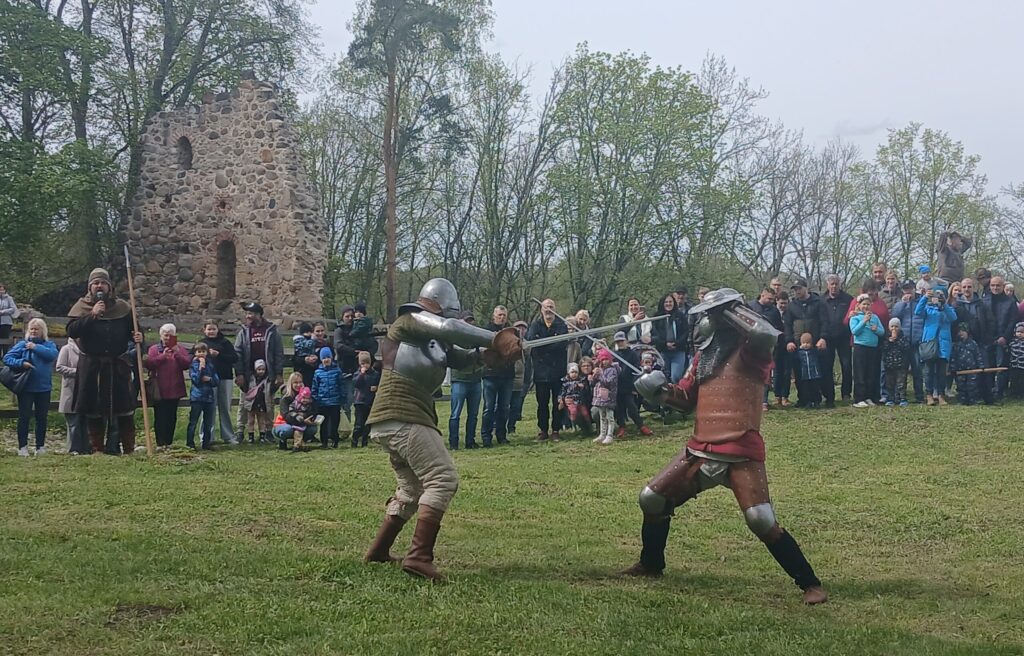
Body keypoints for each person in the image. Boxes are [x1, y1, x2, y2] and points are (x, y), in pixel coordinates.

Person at [626, 288, 827, 604]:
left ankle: (810, 583)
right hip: (699, 449)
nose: (711, 319)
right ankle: (651, 563)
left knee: (761, 519)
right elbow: (686, 400)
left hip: (740, 451)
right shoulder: (703, 357)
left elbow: (765, 332)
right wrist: (660, 391)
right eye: (710, 314)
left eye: (716, 314)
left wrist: (729, 308)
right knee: (651, 499)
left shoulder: (753, 351)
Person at [362, 278, 520, 581]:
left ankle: (379, 551)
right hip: (403, 414)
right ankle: (419, 557)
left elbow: (462, 359)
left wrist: (486, 357)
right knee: (442, 479)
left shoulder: (434, 340)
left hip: (395, 419)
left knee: (411, 491)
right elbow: (450, 328)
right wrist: (497, 338)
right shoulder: (410, 320)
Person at [66, 268, 144, 455]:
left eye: (103, 283)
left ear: (109, 287)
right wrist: (92, 315)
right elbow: (72, 331)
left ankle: (129, 450)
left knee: (124, 410)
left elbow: (135, 332)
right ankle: (98, 450)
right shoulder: (82, 307)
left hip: (118, 365)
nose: (99, 286)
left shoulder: (122, 307)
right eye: (95, 283)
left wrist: (139, 338)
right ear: (90, 287)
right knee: (94, 410)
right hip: (93, 366)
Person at [3, 318, 59, 456]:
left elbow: (52, 355)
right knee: (24, 417)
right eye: (31, 329)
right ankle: (22, 447)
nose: (33, 331)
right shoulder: (22, 344)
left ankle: (40, 446)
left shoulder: (49, 345)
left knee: (42, 418)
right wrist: (21, 363)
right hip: (26, 387)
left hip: (44, 388)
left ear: (42, 331)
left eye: (36, 329)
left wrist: (35, 347)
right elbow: (7, 358)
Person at [144, 323, 192, 448]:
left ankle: (169, 442)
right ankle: (160, 443)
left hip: (175, 388)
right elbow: (149, 364)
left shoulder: (180, 349)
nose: (168, 338)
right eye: (166, 335)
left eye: (171, 335)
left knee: (171, 416)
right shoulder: (154, 349)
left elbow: (186, 364)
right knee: (160, 416)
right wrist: (162, 356)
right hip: (159, 389)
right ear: (161, 335)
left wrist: (177, 354)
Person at [527, 299, 568, 441]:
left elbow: (561, 344)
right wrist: (551, 342)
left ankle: (556, 430)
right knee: (542, 404)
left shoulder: (561, 325)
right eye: (546, 307)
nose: (548, 309)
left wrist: (543, 344)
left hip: (558, 371)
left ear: (555, 309)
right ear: (541, 309)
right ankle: (543, 430)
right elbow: (532, 341)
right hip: (541, 372)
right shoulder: (535, 325)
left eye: (551, 307)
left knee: (558, 403)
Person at [234, 301, 284, 413]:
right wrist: (239, 373)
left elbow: (278, 353)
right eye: (247, 313)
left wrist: (279, 373)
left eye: (250, 313)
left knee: (268, 405)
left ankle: (267, 425)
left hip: (267, 374)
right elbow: (238, 353)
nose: (248, 316)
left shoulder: (271, 330)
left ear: (258, 315)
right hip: (249, 374)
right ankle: (245, 425)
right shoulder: (243, 331)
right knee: (245, 406)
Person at [784, 279, 829, 402]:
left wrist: (823, 338)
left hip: (816, 345)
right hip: (798, 346)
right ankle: (803, 399)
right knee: (799, 373)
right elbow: (787, 325)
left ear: (806, 288)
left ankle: (819, 398)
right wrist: (789, 341)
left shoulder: (818, 302)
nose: (797, 291)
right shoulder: (792, 306)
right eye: (795, 289)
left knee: (818, 372)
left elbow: (825, 321)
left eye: (799, 288)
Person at [448, 311, 484, 449]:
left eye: (471, 321)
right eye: (467, 321)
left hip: (476, 380)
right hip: (459, 380)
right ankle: (453, 442)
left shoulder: (478, 338)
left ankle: (470, 441)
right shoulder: (454, 338)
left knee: (473, 414)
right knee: (455, 414)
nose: (469, 323)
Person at [200, 320, 239, 444]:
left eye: (213, 329)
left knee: (225, 407)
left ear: (218, 329)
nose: (211, 331)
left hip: (225, 377)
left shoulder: (225, 342)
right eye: (209, 329)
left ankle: (228, 436)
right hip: (209, 379)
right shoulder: (202, 343)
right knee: (208, 407)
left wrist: (219, 355)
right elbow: (193, 357)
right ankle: (207, 437)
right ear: (204, 330)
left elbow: (234, 358)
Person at [481, 305, 515, 447]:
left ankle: (501, 435)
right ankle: (486, 437)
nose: (502, 317)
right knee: (489, 408)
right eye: (499, 315)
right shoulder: (485, 331)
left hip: (507, 375)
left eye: (504, 315)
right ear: (494, 316)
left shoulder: (512, 332)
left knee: (504, 407)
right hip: (490, 374)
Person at [916, 289, 956, 406]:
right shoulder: (928, 309)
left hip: (943, 344)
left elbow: (953, 318)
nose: (937, 297)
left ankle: (941, 395)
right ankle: (929, 395)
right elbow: (917, 311)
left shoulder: (948, 309)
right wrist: (924, 298)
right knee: (928, 371)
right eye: (935, 295)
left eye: (940, 295)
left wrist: (944, 304)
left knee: (941, 372)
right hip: (930, 342)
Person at [982, 276, 1020, 400]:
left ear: (1003, 286)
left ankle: (999, 392)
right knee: (988, 366)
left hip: (1003, 339)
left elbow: (1013, 321)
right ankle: (988, 392)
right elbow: (981, 320)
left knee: (1001, 366)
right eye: (993, 285)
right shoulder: (984, 301)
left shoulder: (1010, 302)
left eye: (998, 285)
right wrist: (985, 336)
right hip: (988, 339)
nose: (995, 288)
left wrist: (1005, 337)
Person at [821, 274, 854, 405]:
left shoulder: (848, 299)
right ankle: (829, 396)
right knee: (827, 367)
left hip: (844, 337)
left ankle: (846, 393)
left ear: (840, 284)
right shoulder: (821, 300)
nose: (834, 286)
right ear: (828, 285)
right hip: (828, 338)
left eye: (836, 284)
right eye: (832, 284)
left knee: (846, 365)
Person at [612, 331, 651, 438]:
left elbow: (637, 371)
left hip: (629, 386)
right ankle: (622, 427)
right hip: (617, 385)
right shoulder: (614, 355)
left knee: (631, 407)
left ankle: (641, 426)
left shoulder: (633, 354)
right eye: (618, 342)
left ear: (626, 341)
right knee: (619, 408)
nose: (620, 343)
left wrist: (634, 387)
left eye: (621, 341)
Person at [892, 280, 926, 403]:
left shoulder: (920, 302)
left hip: (917, 342)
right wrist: (903, 303)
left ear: (914, 288)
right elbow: (895, 316)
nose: (908, 291)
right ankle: (901, 396)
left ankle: (919, 396)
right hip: (904, 342)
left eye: (910, 288)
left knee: (917, 370)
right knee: (902, 371)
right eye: (905, 288)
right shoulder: (899, 303)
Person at [849, 294, 885, 408]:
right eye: (864, 304)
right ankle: (859, 398)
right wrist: (864, 321)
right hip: (860, 347)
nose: (866, 306)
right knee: (860, 373)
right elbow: (855, 331)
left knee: (871, 373)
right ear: (859, 305)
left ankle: (869, 397)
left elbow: (882, 332)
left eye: (868, 304)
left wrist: (876, 329)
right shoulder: (855, 317)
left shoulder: (875, 317)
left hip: (873, 348)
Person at [56, 338, 89, 453]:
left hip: (86, 390)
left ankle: (86, 448)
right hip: (70, 389)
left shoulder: (88, 349)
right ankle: (73, 448)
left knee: (85, 421)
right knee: (73, 421)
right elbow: (59, 367)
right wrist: (78, 372)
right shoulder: (66, 349)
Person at [186, 343, 219, 450]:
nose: (201, 354)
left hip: (209, 397)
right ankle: (190, 443)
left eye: (203, 351)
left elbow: (216, 381)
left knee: (208, 422)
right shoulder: (193, 365)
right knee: (193, 421)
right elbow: (196, 380)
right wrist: (201, 367)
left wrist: (210, 379)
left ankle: (206, 443)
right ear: (195, 353)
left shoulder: (211, 364)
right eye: (199, 351)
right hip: (197, 397)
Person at [272, 373, 317, 450]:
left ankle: (300, 442)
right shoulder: (286, 396)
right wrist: (301, 419)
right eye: (295, 383)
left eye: (300, 382)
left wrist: (308, 417)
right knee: (287, 430)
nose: (298, 385)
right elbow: (286, 415)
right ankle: (282, 440)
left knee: (312, 429)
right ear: (291, 383)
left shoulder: (306, 395)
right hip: (284, 423)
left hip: (301, 421)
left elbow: (312, 411)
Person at [312, 346, 345, 448]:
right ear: (321, 359)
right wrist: (315, 399)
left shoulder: (337, 371)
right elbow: (315, 387)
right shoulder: (318, 372)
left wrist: (342, 398)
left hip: (335, 402)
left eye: (328, 357)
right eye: (324, 358)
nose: (326, 360)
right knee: (323, 424)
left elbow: (341, 385)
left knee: (335, 423)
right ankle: (324, 442)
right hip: (322, 402)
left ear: (331, 358)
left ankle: (335, 440)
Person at [652, 293, 689, 384]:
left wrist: (676, 343)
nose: (668, 304)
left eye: (670, 302)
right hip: (663, 351)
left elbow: (686, 331)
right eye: (666, 302)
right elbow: (655, 334)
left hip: (678, 350)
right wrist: (665, 344)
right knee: (664, 377)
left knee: (675, 377)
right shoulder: (657, 317)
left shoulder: (680, 315)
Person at [333, 306, 359, 418]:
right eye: (347, 316)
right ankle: (346, 423)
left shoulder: (358, 330)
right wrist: (353, 351)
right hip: (345, 369)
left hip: (358, 368)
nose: (350, 318)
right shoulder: (339, 331)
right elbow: (338, 345)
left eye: (352, 316)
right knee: (347, 399)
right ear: (342, 317)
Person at [238, 359, 274, 443]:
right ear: (255, 369)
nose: (261, 371)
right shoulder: (250, 379)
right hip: (252, 403)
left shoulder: (267, 380)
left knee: (261, 420)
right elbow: (244, 388)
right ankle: (251, 436)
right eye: (259, 369)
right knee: (250, 420)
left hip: (262, 402)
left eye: (263, 369)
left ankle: (262, 436)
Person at [950, 323, 984, 406]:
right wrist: (953, 368)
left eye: (963, 331)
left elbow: (978, 355)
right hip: (960, 370)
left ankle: (973, 400)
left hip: (972, 370)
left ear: (967, 332)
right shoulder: (956, 345)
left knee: (972, 386)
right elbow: (953, 357)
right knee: (961, 386)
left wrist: (981, 365)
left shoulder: (973, 343)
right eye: (959, 331)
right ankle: (962, 400)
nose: (961, 333)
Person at [506, 320, 531, 435]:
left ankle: (511, 426)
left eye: (523, 328)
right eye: (518, 328)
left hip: (520, 379)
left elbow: (528, 361)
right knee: (504, 405)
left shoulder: (527, 345)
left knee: (516, 406)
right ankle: (499, 426)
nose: (521, 330)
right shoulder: (507, 341)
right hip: (507, 377)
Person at [590, 349, 618, 445]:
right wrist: (593, 376)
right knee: (602, 416)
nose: (604, 362)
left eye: (606, 359)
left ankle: (610, 435)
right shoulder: (600, 369)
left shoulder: (613, 370)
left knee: (610, 417)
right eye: (602, 360)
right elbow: (593, 383)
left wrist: (599, 375)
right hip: (599, 397)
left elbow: (608, 382)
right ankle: (602, 434)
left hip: (609, 397)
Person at [352, 351, 379, 447]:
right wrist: (361, 374)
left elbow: (378, 384)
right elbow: (356, 384)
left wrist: (376, 388)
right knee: (359, 424)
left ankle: (364, 441)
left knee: (367, 424)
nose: (365, 365)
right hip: (359, 401)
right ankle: (354, 441)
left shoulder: (375, 374)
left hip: (370, 401)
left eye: (367, 363)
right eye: (363, 363)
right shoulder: (357, 373)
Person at [880, 318, 909, 407]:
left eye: (896, 326)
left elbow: (906, 347)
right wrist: (889, 342)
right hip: (889, 365)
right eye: (892, 326)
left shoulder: (903, 337)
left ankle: (902, 398)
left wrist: (897, 340)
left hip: (901, 364)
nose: (894, 329)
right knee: (889, 383)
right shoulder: (886, 337)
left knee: (901, 383)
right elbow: (883, 348)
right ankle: (890, 399)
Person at [558, 362, 592, 434]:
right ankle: (574, 427)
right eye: (572, 372)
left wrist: (583, 387)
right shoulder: (565, 383)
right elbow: (562, 393)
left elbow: (586, 391)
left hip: (580, 401)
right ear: (569, 373)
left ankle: (589, 426)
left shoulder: (581, 381)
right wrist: (560, 400)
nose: (574, 374)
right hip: (571, 401)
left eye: (576, 372)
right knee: (573, 412)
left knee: (585, 414)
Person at [773, 291, 792, 406]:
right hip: (776, 346)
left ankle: (785, 396)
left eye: (785, 303)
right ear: (777, 301)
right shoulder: (773, 312)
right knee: (777, 372)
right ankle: (777, 396)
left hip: (788, 346)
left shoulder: (790, 313)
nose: (783, 305)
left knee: (787, 372)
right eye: (781, 303)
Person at [794, 332, 823, 408]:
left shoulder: (814, 351)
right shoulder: (799, 353)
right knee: (805, 390)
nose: (806, 345)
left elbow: (820, 354)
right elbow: (794, 359)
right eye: (804, 343)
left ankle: (817, 401)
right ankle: (807, 402)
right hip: (804, 375)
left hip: (814, 374)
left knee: (816, 389)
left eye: (808, 343)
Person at [292, 321, 318, 386]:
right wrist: (313, 340)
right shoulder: (302, 340)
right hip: (303, 369)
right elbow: (308, 345)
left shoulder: (298, 340)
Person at [1008, 322, 1024, 399]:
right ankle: (1013, 393)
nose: (1020, 334)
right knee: (1014, 379)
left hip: (1022, 366)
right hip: (1014, 365)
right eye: (1018, 332)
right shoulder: (1012, 342)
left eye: (1022, 332)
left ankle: (1021, 394)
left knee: (1022, 380)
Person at [0, 283, 16, 356]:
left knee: (5, 339)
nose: (1, 291)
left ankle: (5, 356)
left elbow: (13, 309)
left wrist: (2, 312)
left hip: (6, 322)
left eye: (2, 290)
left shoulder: (9, 298)